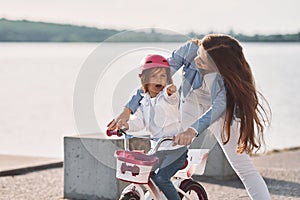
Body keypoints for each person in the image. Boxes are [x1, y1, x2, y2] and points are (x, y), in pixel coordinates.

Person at [108, 34, 271, 200]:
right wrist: (128, 110)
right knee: (164, 144)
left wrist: (193, 131)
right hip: (192, 101)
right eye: (199, 53)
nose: (197, 59)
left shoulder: (224, 79)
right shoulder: (190, 50)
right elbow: (153, 79)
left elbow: (218, 107)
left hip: (221, 112)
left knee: (242, 166)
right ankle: (164, 188)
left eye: (203, 59)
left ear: (218, 65)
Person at [116, 54, 188, 200]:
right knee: (144, 173)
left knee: (162, 179)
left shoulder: (168, 98)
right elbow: (139, 122)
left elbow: (172, 98)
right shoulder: (145, 102)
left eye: (163, 76)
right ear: (144, 79)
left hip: (176, 151)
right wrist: (126, 125)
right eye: (154, 76)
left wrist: (170, 92)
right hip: (158, 149)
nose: (159, 80)